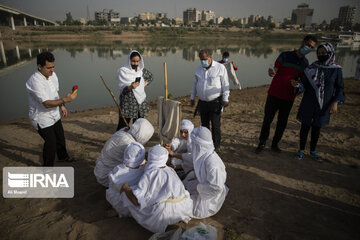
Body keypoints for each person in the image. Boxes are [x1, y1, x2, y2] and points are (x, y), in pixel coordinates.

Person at [255, 35, 318, 154]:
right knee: (267, 120)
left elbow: (302, 81)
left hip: (288, 97)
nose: (308, 47)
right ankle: (262, 142)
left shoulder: (305, 63)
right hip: (274, 93)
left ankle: (275, 144)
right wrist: (271, 72)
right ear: (302, 42)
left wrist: (297, 85)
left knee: (282, 122)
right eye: (307, 44)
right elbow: (275, 69)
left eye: (311, 47)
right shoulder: (285, 55)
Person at [120, 145, 193, 233]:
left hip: (164, 214)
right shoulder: (170, 170)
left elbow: (137, 201)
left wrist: (126, 188)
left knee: (127, 193)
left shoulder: (150, 174)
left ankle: (121, 213)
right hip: (183, 209)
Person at [293, 42, 345, 160]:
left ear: (330, 53)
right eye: (319, 53)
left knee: (317, 127)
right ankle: (301, 150)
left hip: (325, 103)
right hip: (309, 101)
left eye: (324, 53)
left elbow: (340, 88)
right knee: (305, 126)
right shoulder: (311, 68)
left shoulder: (336, 70)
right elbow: (304, 84)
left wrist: (335, 102)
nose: (321, 55)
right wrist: (297, 86)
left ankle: (313, 151)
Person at [25, 51, 77, 166]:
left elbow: (55, 91)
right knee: (51, 143)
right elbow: (46, 104)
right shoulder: (35, 81)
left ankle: (63, 157)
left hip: (54, 114)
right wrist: (65, 100)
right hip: (41, 117)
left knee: (60, 138)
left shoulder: (52, 75)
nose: (52, 70)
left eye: (53, 67)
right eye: (49, 68)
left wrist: (62, 105)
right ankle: (47, 168)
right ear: (39, 67)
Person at [183, 126, 228, 219]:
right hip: (203, 185)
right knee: (187, 181)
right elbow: (193, 160)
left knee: (183, 206)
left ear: (199, 144)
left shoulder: (212, 163)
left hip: (210, 197)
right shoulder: (203, 155)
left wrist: (199, 188)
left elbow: (216, 187)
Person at [94, 118, 154, 187]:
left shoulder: (122, 132)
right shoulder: (131, 145)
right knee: (141, 172)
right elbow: (143, 164)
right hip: (107, 178)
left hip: (99, 169)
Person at [190, 49, 230, 152]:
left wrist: (225, 99)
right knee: (204, 125)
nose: (203, 61)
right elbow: (195, 83)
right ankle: (206, 145)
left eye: (204, 59)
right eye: (201, 59)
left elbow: (225, 85)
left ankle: (216, 147)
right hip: (203, 102)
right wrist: (192, 97)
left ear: (210, 58)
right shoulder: (199, 69)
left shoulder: (220, 68)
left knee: (215, 125)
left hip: (215, 102)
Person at [106, 142, 146, 217]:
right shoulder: (141, 172)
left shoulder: (118, 168)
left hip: (112, 197)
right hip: (125, 203)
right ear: (141, 157)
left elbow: (111, 182)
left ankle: (115, 208)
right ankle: (120, 212)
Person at [116, 50, 153, 131]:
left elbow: (150, 77)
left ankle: (135, 142)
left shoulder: (141, 70)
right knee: (123, 126)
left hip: (140, 103)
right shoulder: (122, 71)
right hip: (127, 104)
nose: (135, 64)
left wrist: (144, 84)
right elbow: (123, 91)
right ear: (129, 60)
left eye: (137, 61)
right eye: (133, 61)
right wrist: (130, 87)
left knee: (138, 126)